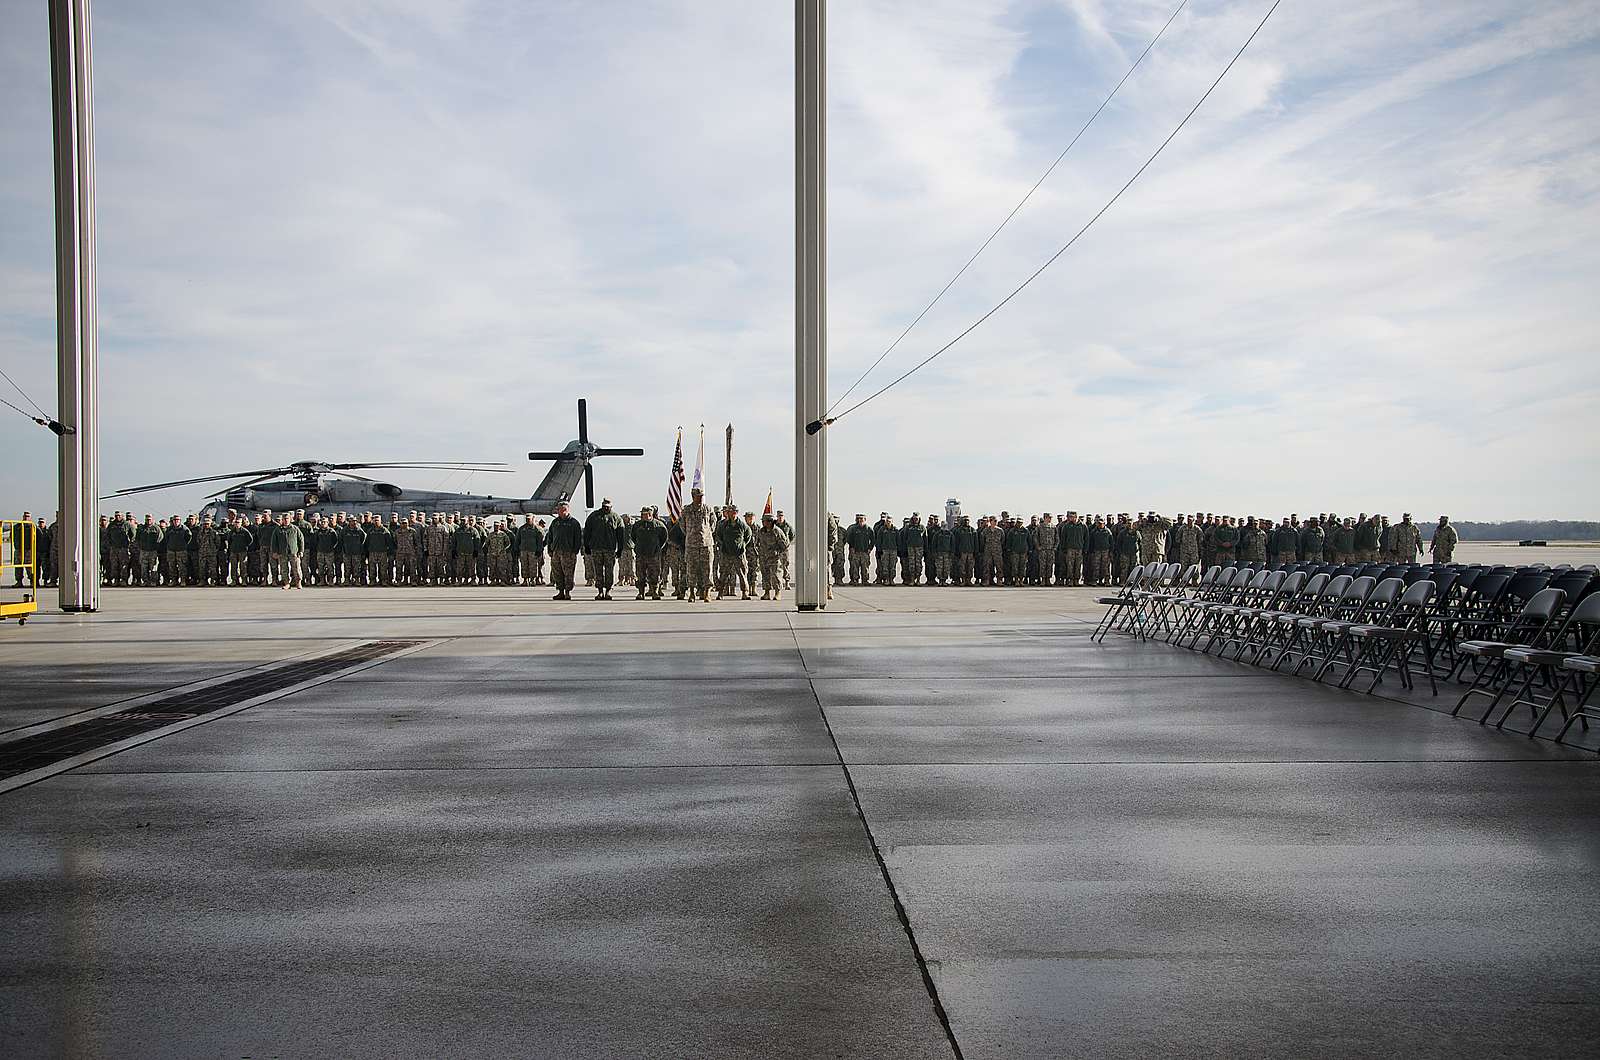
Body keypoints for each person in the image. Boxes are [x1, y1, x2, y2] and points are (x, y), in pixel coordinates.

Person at [583, 498, 625, 601]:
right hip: (596, 548)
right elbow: (587, 532)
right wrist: (586, 546)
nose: (605, 508)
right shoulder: (593, 516)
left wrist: (620, 549)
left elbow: (621, 535)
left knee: (609, 571)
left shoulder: (616, 518)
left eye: (607, 506)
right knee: (598, 571)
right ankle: (600, 591)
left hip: (609, 549)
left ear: (611, 506)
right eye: (604, 506)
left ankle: (608, 591)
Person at [546, 501, 583, 600]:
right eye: (559, 510)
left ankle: (567, 592)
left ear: (567, 510)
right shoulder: (555, 522)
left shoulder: (574, 523)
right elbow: (550, 537)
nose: (560, 512)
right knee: (557, 573)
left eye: (562, 510)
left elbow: (578, 538)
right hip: (556, 552)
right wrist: (550, 549)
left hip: (568, 552)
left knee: (568, 573)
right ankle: (560, 591)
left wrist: (575, 551)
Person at [631, 506, 668, 600]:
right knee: (640, 574)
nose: (644, 516)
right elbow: (633, 536)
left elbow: (664, 537)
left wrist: (657, 547)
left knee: (655, 574)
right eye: (643, 514)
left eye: (646, 514)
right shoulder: (637, 525)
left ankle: (655, 592)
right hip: (641, 554)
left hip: (653, 555)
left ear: (651, 514)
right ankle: (641, 593)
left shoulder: (658, 525)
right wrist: (639, 546)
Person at [754, 513, 787, 600]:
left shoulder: (777, 531)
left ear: (770, 522)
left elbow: (785, 544)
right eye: (763, 521)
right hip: (763, 557)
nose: (764, 523)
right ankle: (767, 593)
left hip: (774, 558)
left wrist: (777, 552)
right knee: (765, 575)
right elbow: (757, 543)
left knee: (776, 575)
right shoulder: (761, 531)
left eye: (765, 521)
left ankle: (777, 593)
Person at [270, 513, 304, 589]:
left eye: (287, 519)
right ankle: (286, 583)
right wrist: (274, 552)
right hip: (282, 553)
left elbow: (301, 540)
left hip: (294, 552)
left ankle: (298, 582)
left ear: (290, 519)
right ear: (282, 520)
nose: (286, 520)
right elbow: (274, 542)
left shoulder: (295, 529)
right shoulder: (278, 530)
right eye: (284, 519)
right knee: (284, 569)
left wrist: (301, 550)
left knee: (296, 568)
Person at [845, 514, 873, 585]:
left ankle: (865, 580)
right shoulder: (853, 529)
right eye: (859, 520)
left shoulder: (868, 529)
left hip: (865, 552)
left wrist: (870, 548)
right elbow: (849, 539)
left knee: (865, 567)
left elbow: (873, 540)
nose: (861, 521)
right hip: (856, 551)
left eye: (862, 520)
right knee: (855, 567)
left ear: (865, 520)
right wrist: (852, 547)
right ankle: (855, 580)